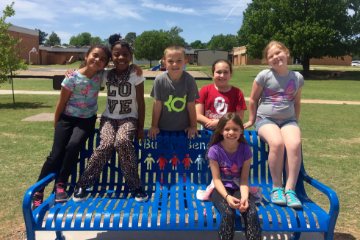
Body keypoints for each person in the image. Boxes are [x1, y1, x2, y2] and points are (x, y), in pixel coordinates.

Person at [31, 44, 112, 210]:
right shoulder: (72, 78)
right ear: (87, 56)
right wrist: (57, 124)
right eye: (95, 55)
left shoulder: (101, 75)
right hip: (66, 119)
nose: (98, 60)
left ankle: (61, 184)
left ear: (105, 64)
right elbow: (61, 103)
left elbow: (121, 68)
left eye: (103, 59)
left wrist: (135, 67)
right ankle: (38, 191)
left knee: (74, 146)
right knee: (55, 155)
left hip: (86, 120)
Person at [72, 34, 148, 203]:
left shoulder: (136, 75)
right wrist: (72, 72)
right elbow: (86, 72)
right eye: (116, 54)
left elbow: (141, 102)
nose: (121, 57)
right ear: (111, 57)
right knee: (106, 144)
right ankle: (83, 185)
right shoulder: (105, 75)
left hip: (129, 118)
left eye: (125, 54)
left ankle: (135, 186)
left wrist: (141, 127)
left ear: (131, 56)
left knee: (122, 141)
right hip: (108, 118)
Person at [243, 41, 304, 209]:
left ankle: (290, 190)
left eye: (278, 53)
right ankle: (277, 187)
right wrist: (251, 119)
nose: (276, 57)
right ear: (268, 61)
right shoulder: (264, 76)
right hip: (265, 120)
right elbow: (254, 99)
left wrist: (295, 122)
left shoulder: (297, 78)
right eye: (271, 56)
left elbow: (296, 102)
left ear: (287, 53)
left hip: (288, 121)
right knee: (276, 143)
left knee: (294, 143)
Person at [207, 113, 261, 240]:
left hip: (238, 187)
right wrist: (227, 197)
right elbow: (216, 179)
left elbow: (243, 179)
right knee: (227, 214)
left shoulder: (245, 150)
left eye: (235, 129)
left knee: (251, 213)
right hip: (220, 189)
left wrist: (244, 198)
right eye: (227, 129)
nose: (231, 132)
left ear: (241, 130)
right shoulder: (214, 150)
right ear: (220, 131)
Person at [148, 45, 199, 140]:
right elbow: (157, 105)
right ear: (164, 63)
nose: (175, 64)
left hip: (184, 130)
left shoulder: (190, 80)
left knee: (184, 155)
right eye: (170, 61)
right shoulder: (159, 80)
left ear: (185, 62)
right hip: (163, 129)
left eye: (179, 60)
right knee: (162, 155)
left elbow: (191, 106)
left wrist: (193, 126)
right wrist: (154, 125)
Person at [196, 59, 247, 130]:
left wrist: (219, 124)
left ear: (230, 74)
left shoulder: (237, 93)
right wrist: (212, 124)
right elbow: (197, 115)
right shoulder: (205, 90)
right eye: (218, 72)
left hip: (228, 132)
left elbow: (239, 118)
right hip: (208, 130)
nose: (222, 75)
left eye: (226, 72)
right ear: (213, 74)